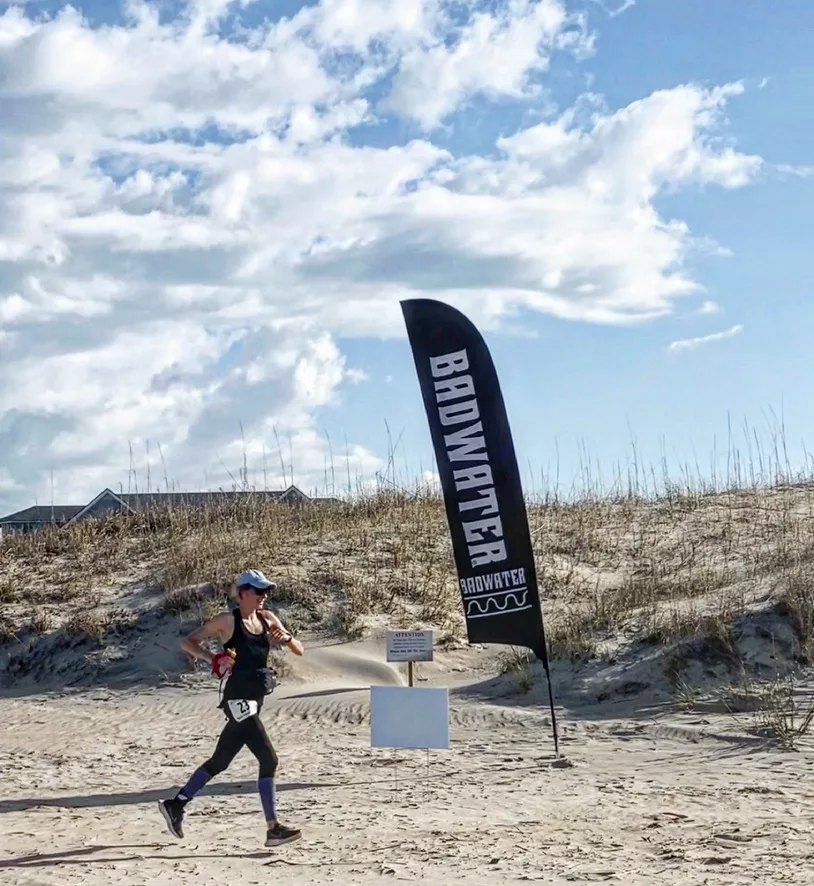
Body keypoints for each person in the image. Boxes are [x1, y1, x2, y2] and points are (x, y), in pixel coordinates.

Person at [158, 568, 304, 847]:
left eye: (267, 591)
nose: (264, 596)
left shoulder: (268, 618)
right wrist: (214, 658)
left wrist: (285, 638)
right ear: (244, 592)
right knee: (268, 758)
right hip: (237, 699)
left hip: (256, 698)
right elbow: (188, 641)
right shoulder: (227, 621)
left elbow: (300, 649)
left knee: (220, 761)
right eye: (260, 591)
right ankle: (273, 828)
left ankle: (176, 805)